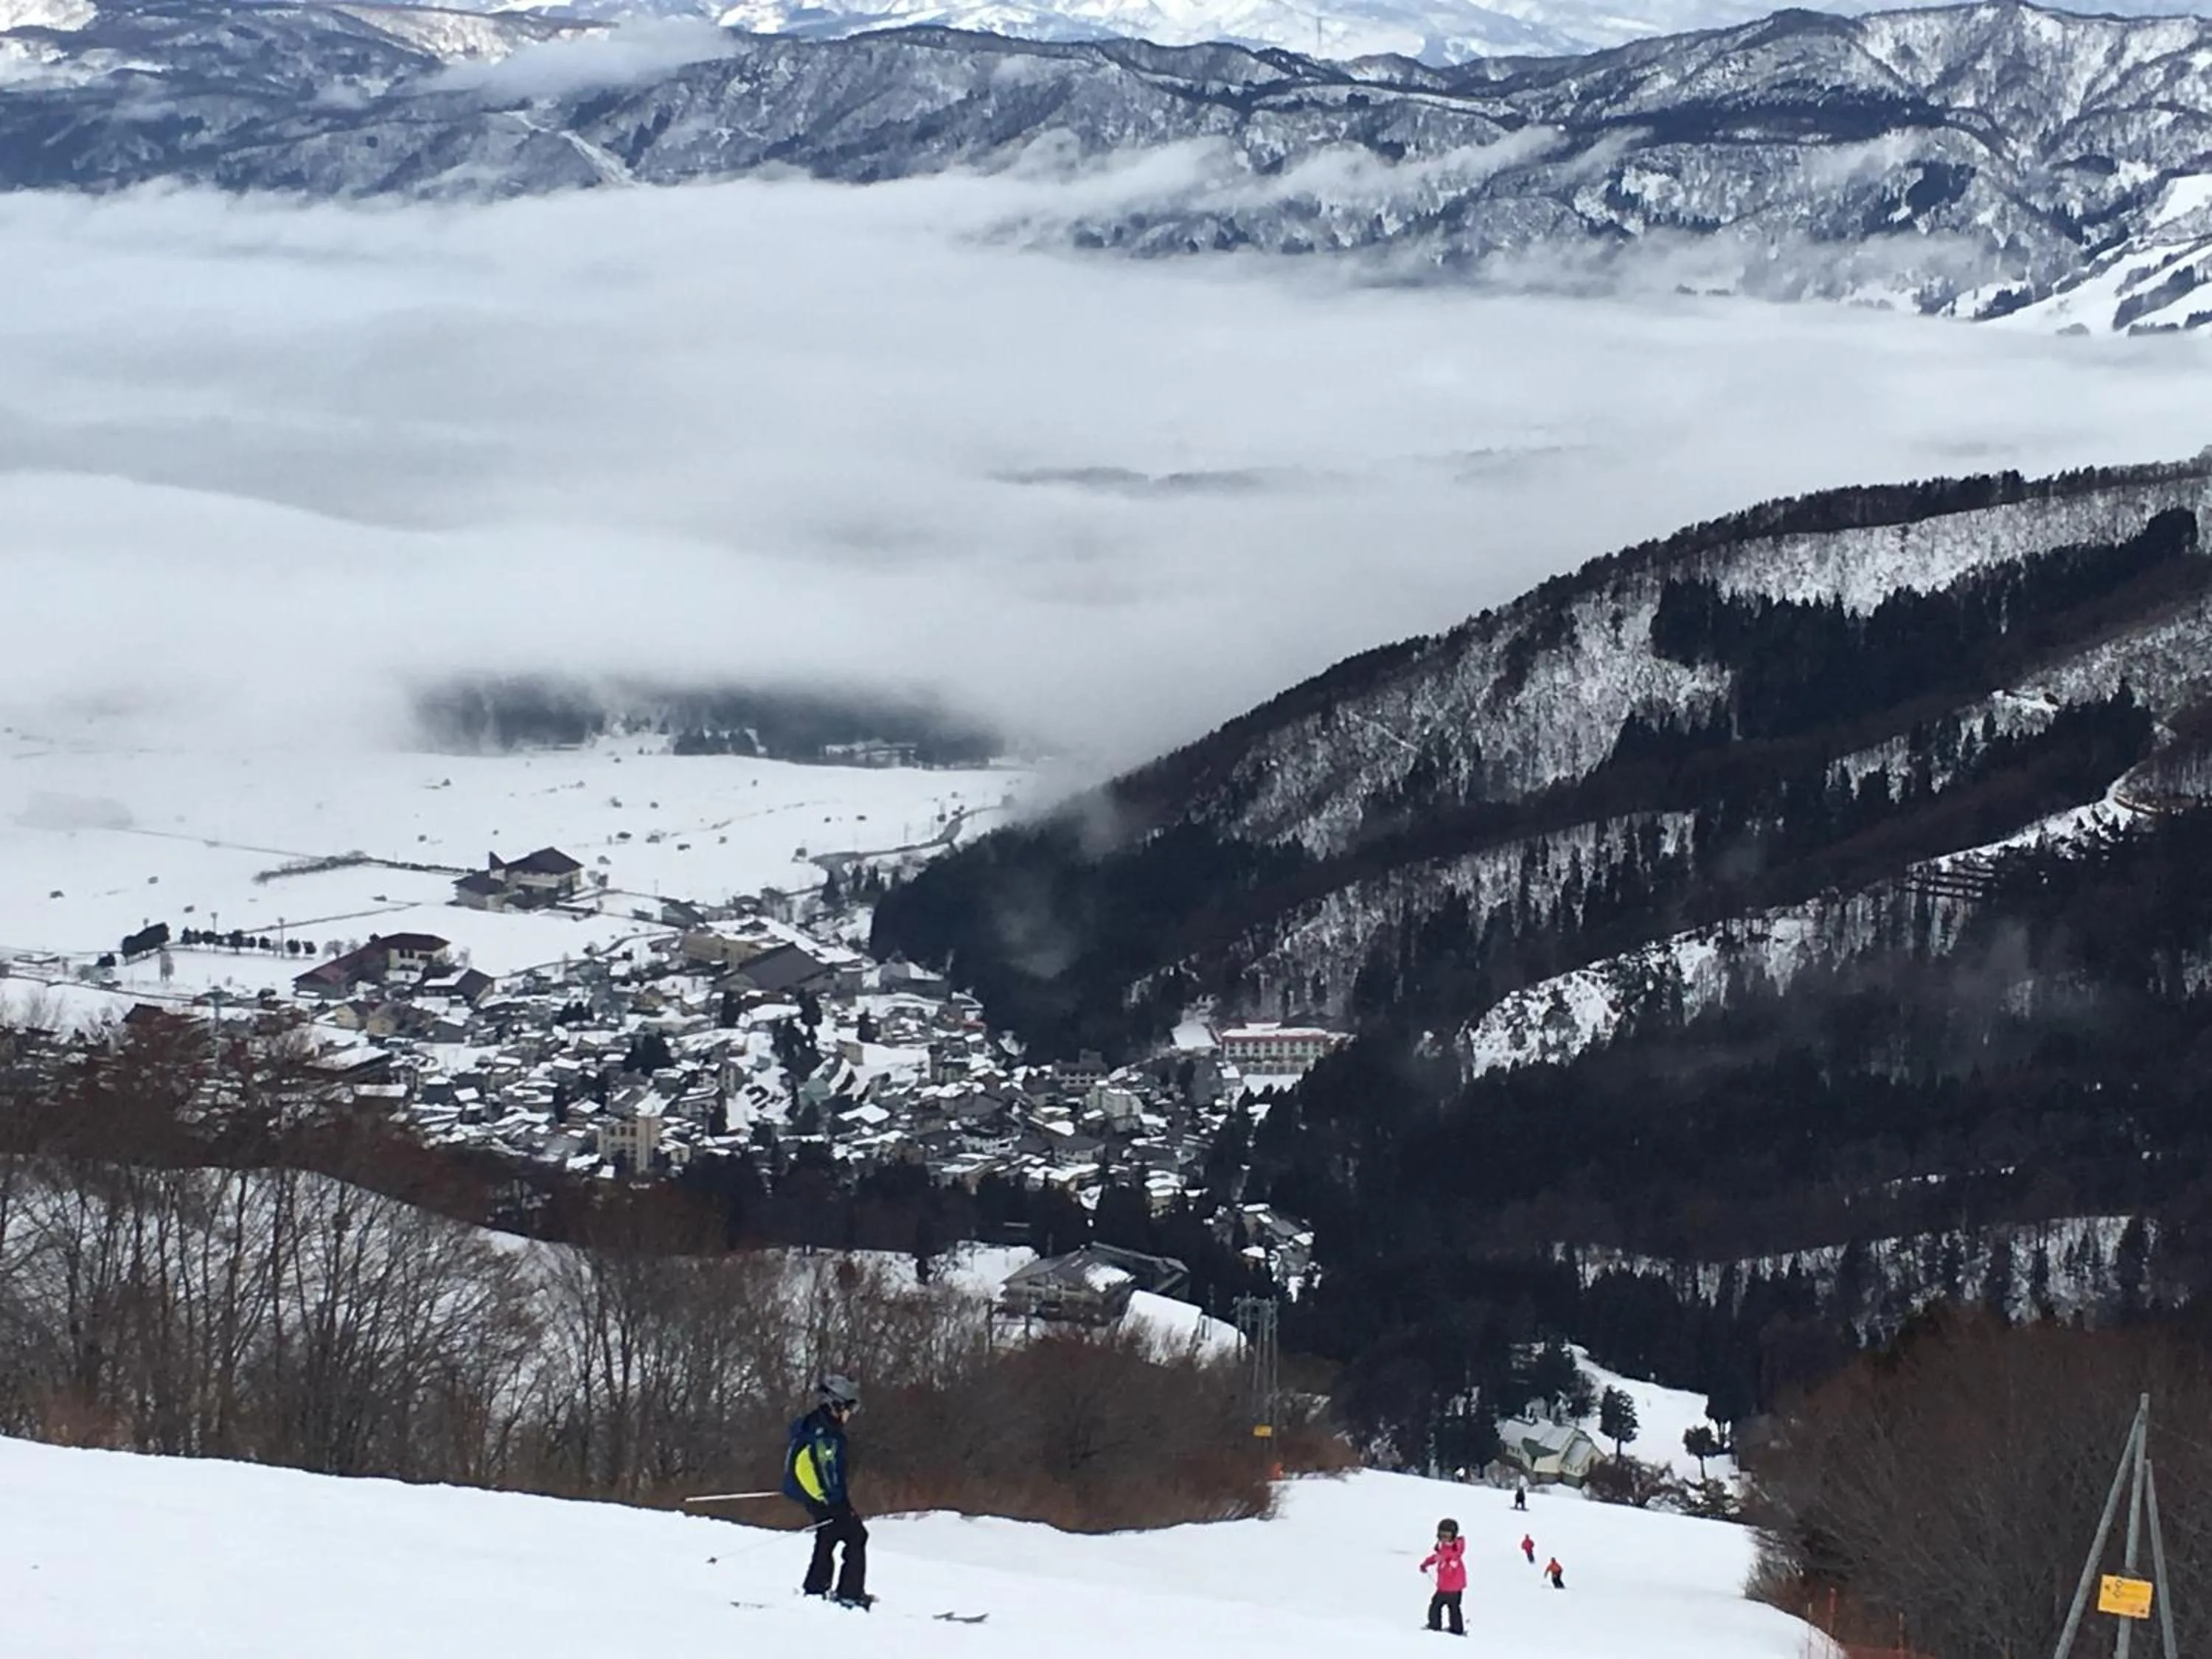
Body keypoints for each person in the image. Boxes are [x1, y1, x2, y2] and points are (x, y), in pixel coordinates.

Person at [784, 1374, 869, 1607]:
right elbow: (829, 1475)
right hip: (825, 1499)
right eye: (850, 1407)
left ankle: (815, 1588)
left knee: (828, 1536)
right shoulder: (826, 1436)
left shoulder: (815, 1425)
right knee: (857, 1536)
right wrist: (842, 1506)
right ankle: (850, 1595)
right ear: (836, 1404)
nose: (851, 1414)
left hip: (815, 1497)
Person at [1419, 1517, 1467, 1636]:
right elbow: (1437, 1558)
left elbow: (1450, 1565)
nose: (1444, 1538)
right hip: (1447, 1586)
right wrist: (1426, 1564)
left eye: (1447, 1535)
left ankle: (1436, 1625)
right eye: (1442, 1535)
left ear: (1453, 1536)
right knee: (1451, 1607)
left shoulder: (1454, 1552)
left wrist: (1446, 1566)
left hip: (1451, 1588)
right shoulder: (1446, 1549)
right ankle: (1456, 1628)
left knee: (1440, 1606)